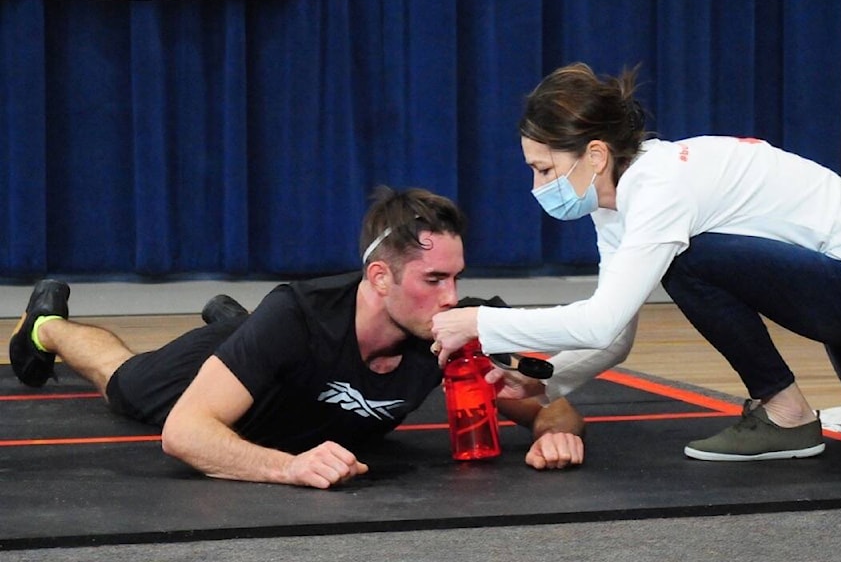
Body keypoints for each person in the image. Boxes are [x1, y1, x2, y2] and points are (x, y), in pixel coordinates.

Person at [430, 62, 841, 462]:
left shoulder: (657, 189)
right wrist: (545, 378)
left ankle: (785, 414)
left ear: (596, 156)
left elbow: (601, 322)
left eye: (545, 169)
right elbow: (614, 331)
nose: (539, 188)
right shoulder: (617, 201)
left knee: (689, 262)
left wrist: (477, 321)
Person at [8, 186, 585, 488]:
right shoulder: (298, 317)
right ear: (379, 278)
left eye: (457, 277)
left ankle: (235, 322)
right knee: (125, 382)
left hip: (275, 355)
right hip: (225, 377)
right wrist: (287, 467)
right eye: (434, 279)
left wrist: (557, 435)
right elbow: (184, 435)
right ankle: (49, 326)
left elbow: (549, 408)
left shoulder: (458, 328)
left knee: (259, 334)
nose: (450, 296)